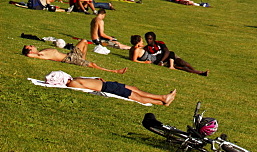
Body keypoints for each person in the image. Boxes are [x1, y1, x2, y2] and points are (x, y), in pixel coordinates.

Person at [43, 70, 176, 105]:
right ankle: (162, 99)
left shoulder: (73, 80)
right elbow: (87, 89)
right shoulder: (71, 83)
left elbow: (87, 83)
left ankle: (162, 100)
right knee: (136, 97)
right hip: (107, 89)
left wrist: (95, 79)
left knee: (135, 89)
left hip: (108, 84)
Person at [22, 39, 127, 73]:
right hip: (69, 59)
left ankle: (83, 59)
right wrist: (30, 54)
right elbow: (30, 56)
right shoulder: (41, 54)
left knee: (84, 41)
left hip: (70, 54)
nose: (33, 45)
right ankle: (114, 71)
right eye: (31, 46)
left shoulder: (41, 51)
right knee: (93, 65)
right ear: (30, 51)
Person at [132, 32, 208, 76]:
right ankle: (200, 73)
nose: (148, 41)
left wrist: (161, 60)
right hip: (164, 62)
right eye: (147, 39)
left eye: (150, 39)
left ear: (154, 38)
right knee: (182, 68)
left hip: (169, 57)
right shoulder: (146, 48)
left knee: (183, 63)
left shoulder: (160, 43)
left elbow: (167, 51)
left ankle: (195, 71)